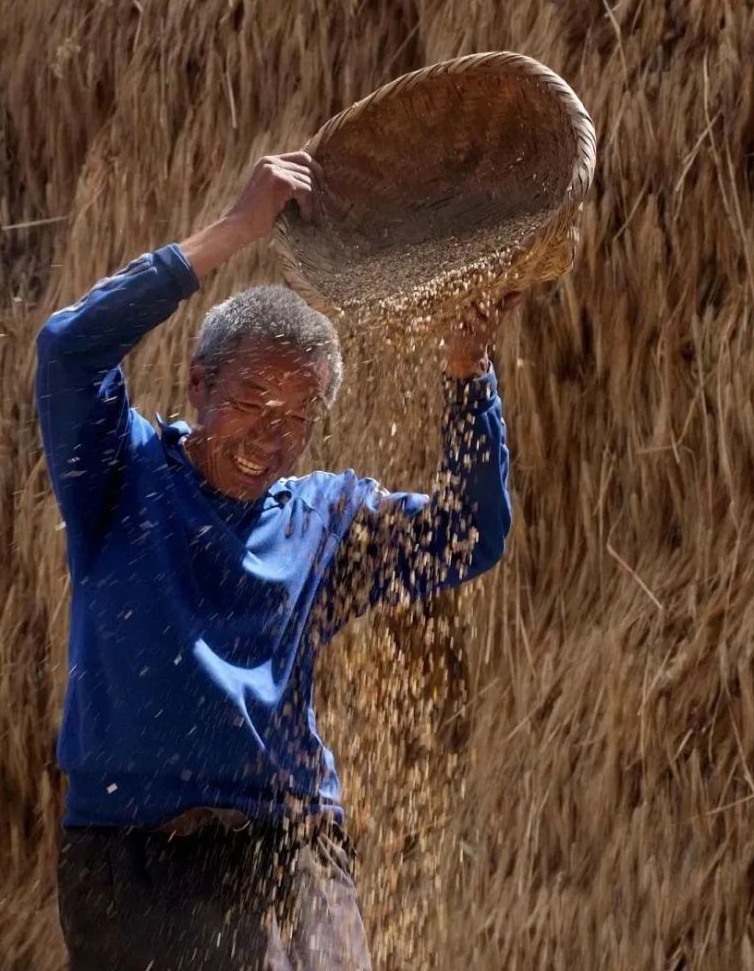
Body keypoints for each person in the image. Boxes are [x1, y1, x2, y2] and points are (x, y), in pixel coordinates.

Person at [35, 151, 514, 970]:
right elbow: (70, 347)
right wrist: (234, 231)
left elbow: (469, 533)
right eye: (251, 401)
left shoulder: (327, 518)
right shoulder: (120, 475)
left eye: (296, 416)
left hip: (288, 851)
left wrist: (469, 373)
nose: (269, 434)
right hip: (132, 860)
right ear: (197, 386)